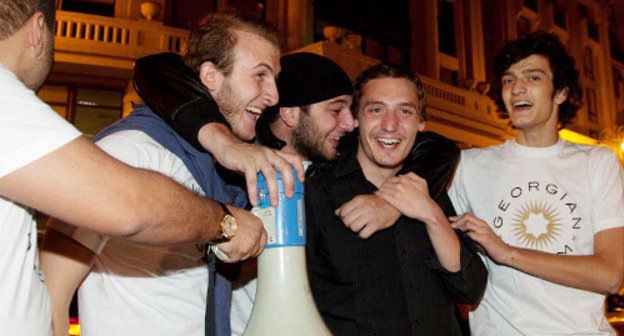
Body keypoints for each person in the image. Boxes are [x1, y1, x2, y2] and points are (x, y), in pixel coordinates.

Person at [39, 12, 301, 336]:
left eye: (274, 79)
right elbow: (51, 293)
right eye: (260, 75)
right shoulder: (130, 149)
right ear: (211, 76)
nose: (273, 95)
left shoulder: (226, 162)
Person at [449, 31, 624, 335]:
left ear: (561, 92)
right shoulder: (469, 165)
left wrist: (507, 253)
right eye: (508, 79)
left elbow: (610, 274)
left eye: (532, 78)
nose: (516, 88)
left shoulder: (598, 162)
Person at [305, 63, 488, 336]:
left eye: (404, 111)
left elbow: (471, 288)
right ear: (355, 118)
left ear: (420, 122)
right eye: (376, 110)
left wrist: (432, 216)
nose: (390, 125)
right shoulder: (318, 191)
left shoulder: (430, 188)